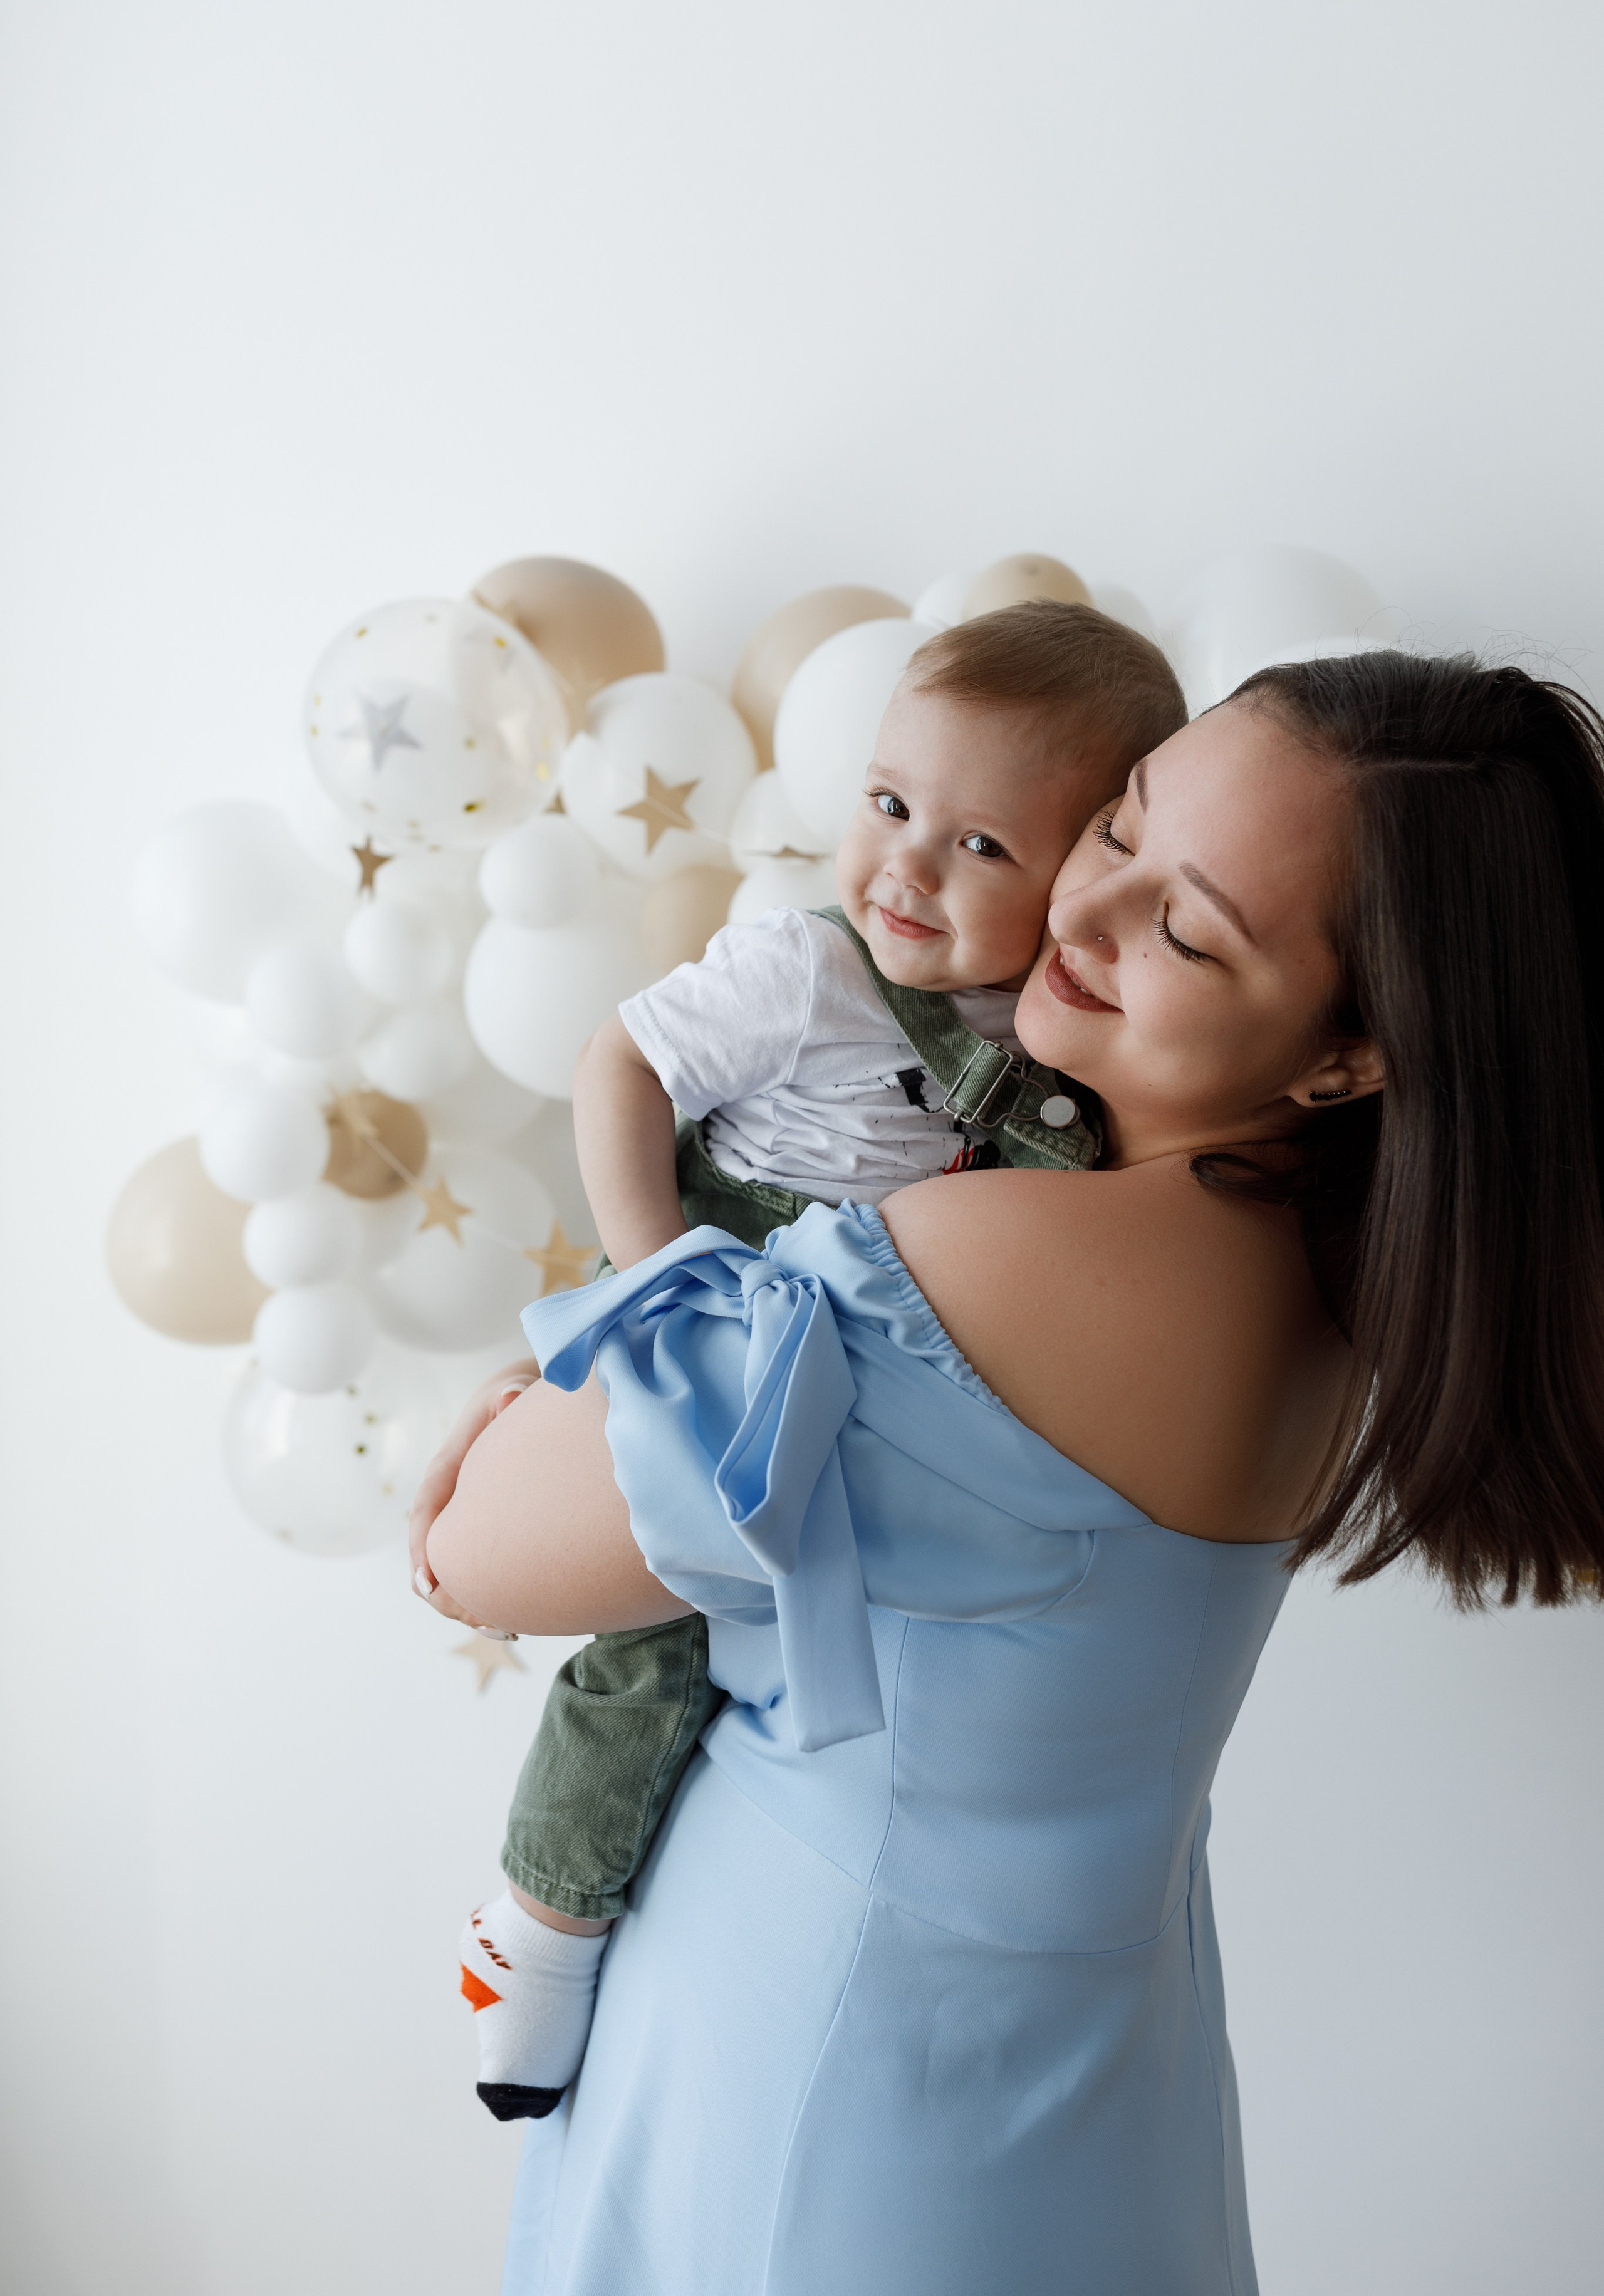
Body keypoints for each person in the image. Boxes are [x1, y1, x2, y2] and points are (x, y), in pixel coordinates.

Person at [427, 650, 1604, 2296]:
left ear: (1349, 1059)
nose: (1084, 909)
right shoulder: (1331, 1298)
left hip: (824, 2112)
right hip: (1087, 2092)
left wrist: (526, 1396)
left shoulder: (992, 1270)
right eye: (1118, 822)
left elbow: (475, 1548)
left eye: (1189, 929)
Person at [412, 600, 1187, 2115]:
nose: (905, 863)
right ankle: (541, 1921)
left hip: (872, 1356)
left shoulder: (1060, 1042)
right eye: (890, 804)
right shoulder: (809, 970)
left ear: (1086, 869)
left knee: (781, 1651)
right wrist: (654, 1274)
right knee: (659, 1643)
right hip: (730, 1273)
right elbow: (621, 1062)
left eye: (982, 847)